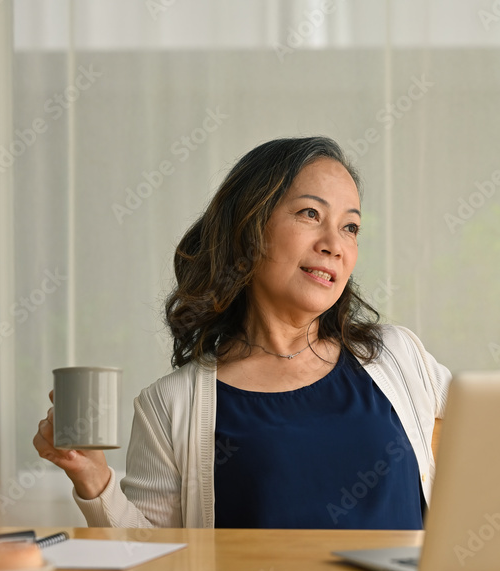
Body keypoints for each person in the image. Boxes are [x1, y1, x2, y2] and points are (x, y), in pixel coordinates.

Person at [32, 137, 451, 529]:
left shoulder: (397, 356)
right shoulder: (172, 405)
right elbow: (150, 563)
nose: (334, 244)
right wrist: (92, 478)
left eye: (350, 227)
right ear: (249, 228)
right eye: (310, 214)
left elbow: (499, 441)